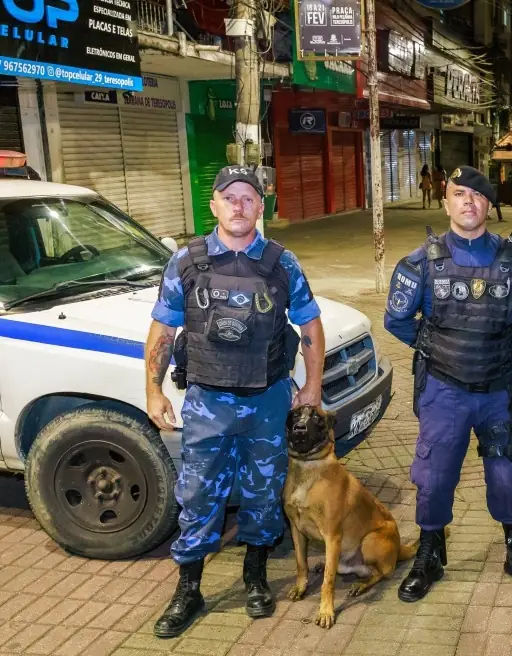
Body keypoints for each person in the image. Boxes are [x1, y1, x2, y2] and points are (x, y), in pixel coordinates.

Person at [146, 166, 325, 638]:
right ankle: (189, 589)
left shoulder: (281, 263)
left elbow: (309, 326)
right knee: (198, 495)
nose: (239, 206)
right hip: (207, 402)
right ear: (214, 206)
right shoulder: (186, 262)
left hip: (267, 401)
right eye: (230, 198)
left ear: (260, 207)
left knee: (264, 494)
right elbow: (164, 330)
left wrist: (311, 387)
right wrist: (152, 388)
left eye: (249, 198)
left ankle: (255, 575)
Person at [385, 165, 512, 602]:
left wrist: (497, 348)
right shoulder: (423, 262)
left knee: (506, 478)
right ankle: (430, 554)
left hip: (498, 392)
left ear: (489, 205)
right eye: (459, 194)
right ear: (446, 202)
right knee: (435, 479)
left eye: (477, 196)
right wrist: (439, 348)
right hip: (444, 392)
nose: (469, 202)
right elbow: (396, 319)